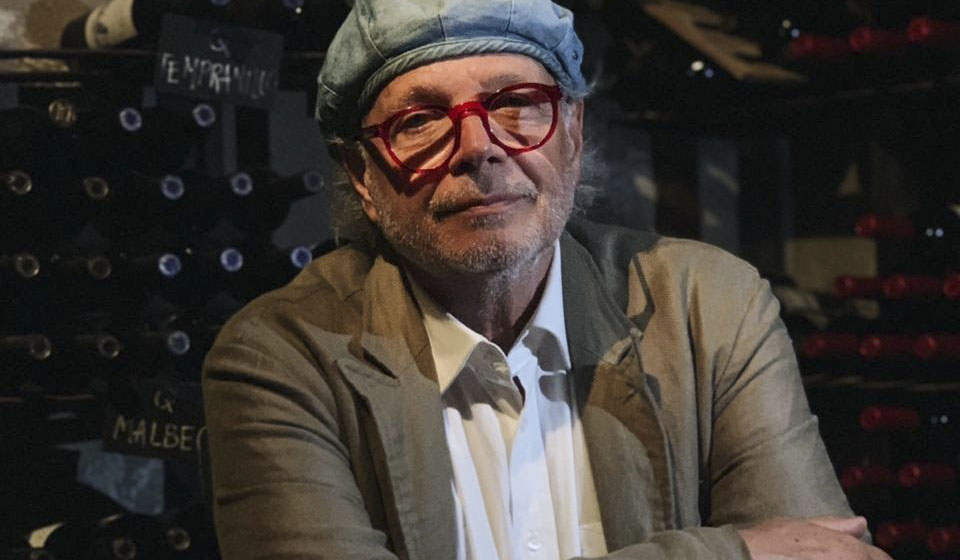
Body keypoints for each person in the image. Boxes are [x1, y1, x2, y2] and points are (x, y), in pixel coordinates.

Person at [201, 1, 893, 559]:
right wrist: (727, 552)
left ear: (572, 133)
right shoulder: (280, 356)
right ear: (364, 177)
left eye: (516, 103)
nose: (479, 148)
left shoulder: (708, 306)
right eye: (421, 120)